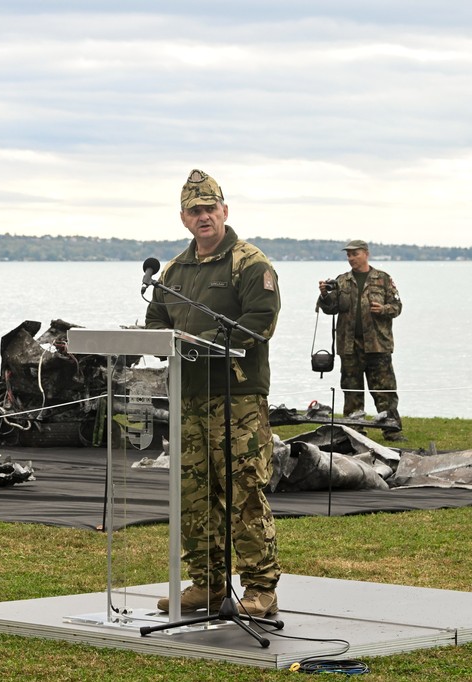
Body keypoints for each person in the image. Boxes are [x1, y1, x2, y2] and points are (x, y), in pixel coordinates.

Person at [145, 169, 282, 617]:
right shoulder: (174, 271)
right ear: (183, 218)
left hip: (237, 398)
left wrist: (200, 339)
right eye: (194, 211)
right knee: (194, 494)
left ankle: (260, 587)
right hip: (188, 398)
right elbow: (155, 326)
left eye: (210, 208)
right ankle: (207, 584)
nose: (203, 217)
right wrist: (167, 340)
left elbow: (260, 324)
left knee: (243, 491)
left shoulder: (249, 263)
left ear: (225, 211)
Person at [316, 239, 406, 441]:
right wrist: (324, 296)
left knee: (384, 389)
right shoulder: (341, 281)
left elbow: (397, 307)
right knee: (351, 389)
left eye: (354, 254)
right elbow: (331, 308)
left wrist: (383, 310)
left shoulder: (383, 279)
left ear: (366, 253)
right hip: (349, 345)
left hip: (377, 344)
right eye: (348, 255)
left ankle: (391, 429)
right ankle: (354, 431)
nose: (351, 258)